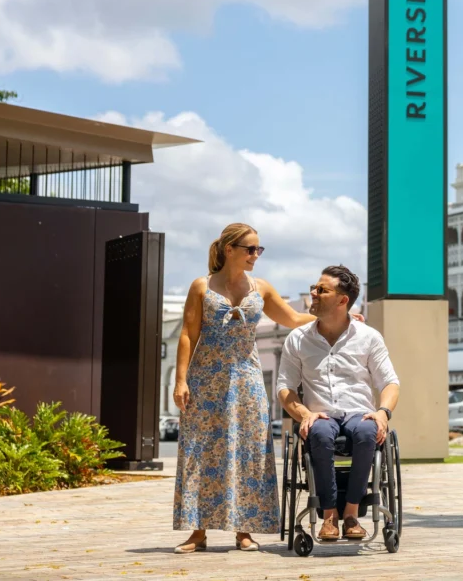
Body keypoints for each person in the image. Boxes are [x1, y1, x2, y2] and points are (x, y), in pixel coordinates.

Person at [171, 223, 364, 553]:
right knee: (200, 452)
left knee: (249, 452)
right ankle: (197, 532)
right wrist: (180, 380)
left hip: (247, 379)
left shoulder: (260, 287)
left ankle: (244, 530)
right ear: (229, 249)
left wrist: (345, 315)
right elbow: (188, 333)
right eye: (250, 249)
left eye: (258, 249)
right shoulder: (201, 286)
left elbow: (292, 318)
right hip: (206, 379)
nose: (255, 255)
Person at [276, 265, 399, 541]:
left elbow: (390, 382)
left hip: (359, 413)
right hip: (320, 415)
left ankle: (352, 514)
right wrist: (304, 413)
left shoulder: (368, 337)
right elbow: (284, 387)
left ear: (343, 300)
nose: (313, 293)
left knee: (368, 431)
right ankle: (329, 516)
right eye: (314, 287)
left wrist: (383, 412)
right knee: (318, 432)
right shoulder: (298, 339)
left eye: (321, 290)